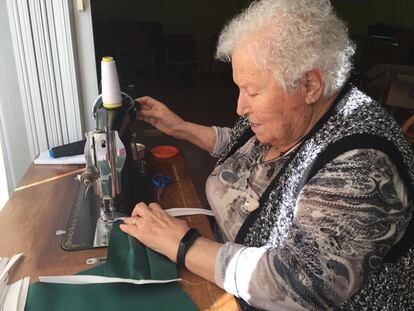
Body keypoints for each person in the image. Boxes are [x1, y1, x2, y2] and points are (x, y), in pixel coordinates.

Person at [120, 0, 414, 310]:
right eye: (239, 88)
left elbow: (299, 284)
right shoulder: (293, 114)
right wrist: (179, 127)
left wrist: (183, 245)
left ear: (310, 84)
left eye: (253, 91)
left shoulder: (361, 167)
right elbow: (240, 142)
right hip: (220, 264)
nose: (240, 107)